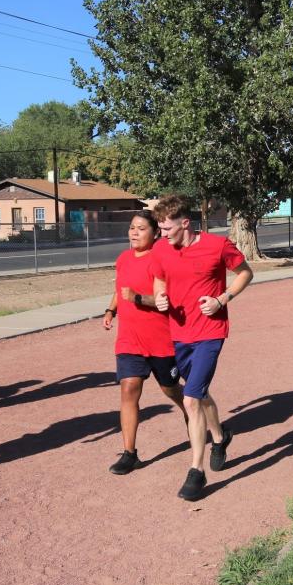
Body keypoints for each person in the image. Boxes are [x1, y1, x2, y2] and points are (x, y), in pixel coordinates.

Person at [151, 195, 254, 501]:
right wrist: (160, 297)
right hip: (179, 333)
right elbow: (159, 279)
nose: (162, 233)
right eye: (159, 227)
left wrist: (222, 299)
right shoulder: (160, 249)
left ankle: (196, 472)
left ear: (185, 223)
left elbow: (246, 273)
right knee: (201, 392)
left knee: (192, 399)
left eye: (167, 227)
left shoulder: (217, 245)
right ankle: (220, 437)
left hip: (210, 332)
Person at [102, 211, 188, 474]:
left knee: (171, 390)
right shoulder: (124, 259)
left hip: (161, 341)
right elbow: (120, 289)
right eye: (131, 228)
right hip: (129, 339)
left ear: (154, 233)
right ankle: (130, 453)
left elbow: (166, 301)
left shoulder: (162, 259)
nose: (134, 233)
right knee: (129, 388)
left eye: (141, 228)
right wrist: (110, 310)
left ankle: (193, 412)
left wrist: (138, 297)